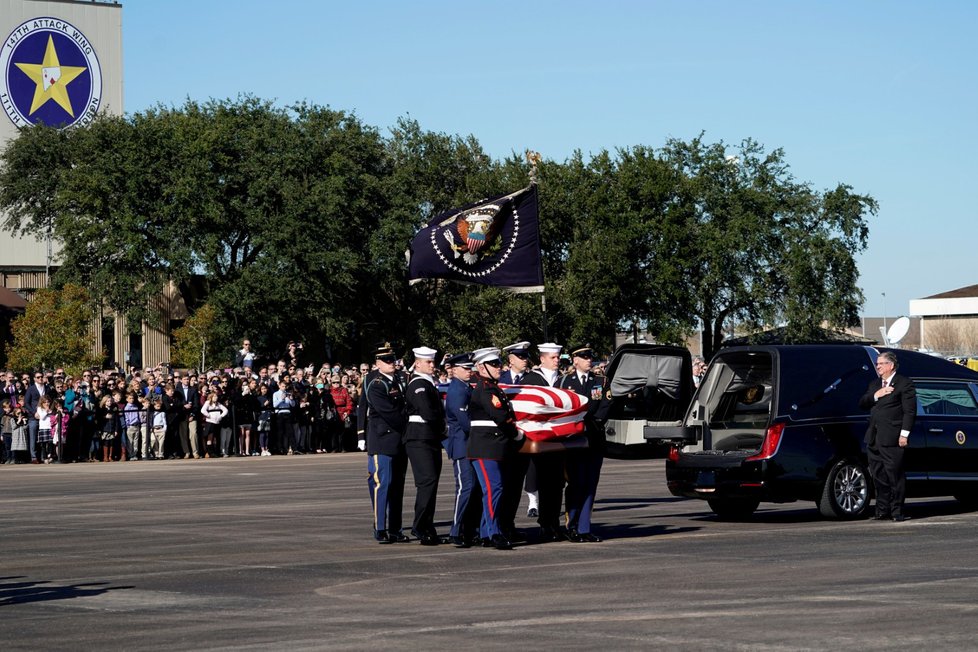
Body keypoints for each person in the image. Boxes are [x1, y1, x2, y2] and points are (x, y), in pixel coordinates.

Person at [467, 347, 521, 550]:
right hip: (485, 447)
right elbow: (500, 416)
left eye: (499, 363)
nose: (500, 367)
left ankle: (485, 532)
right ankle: (494, 532)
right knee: (493, 489)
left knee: (494, 489)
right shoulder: (485, 389)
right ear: (481, 367)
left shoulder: (493, 387)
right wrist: (516, 433)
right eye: (494, 364)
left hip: (494, 447)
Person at [557, 345, 611, 542]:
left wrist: (592, 423)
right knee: (575, 483)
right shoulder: (563, 382)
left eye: (590, 356)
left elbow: (606, 405)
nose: (589, 360)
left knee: (590, 484)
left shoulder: (601, 381)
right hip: (573, 441)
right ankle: (571, 525)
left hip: (594, 439)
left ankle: (584, 527)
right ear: (575, 360)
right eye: (584, 357)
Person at [859, 351, 916, 522]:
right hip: (874, 437)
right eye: (877, 364)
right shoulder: (875, 384)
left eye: (881, 364)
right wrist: (878, 394)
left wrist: (904, 434)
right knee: (878, 476)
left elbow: (909, 411)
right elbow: (862, 403)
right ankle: (882, 510)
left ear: (891, 365)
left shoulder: (904, 384)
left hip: (892, 437)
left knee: (894, 475)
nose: (878, 367)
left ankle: (897, 511)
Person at [520, 342, 567, 541]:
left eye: (558, 357)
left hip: (559, 438)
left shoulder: (563, 380)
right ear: (542, 358)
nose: (557, 361)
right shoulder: (531, 379)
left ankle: (553, 522)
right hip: (539, 438)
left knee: (557, 484)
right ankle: (544, 524)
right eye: (553, 358)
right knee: (542, 479)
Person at [364, 343, 409, 544]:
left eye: (393, 359)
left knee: (397, 486)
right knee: (383, 484)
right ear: (378, 364)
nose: (391, 363)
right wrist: (411, 425)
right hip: (383, 440)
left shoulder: (399, 381)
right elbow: (389, 413)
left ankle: (395, 528)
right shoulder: (376, 384)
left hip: (399, 441)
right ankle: (380, 527)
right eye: (387, 360)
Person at [404, 346, 446, 546]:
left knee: (431, 483)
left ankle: (427, 525)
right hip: (419, 437)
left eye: (432, 361)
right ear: (417, 363)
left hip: (429, 437)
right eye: (428, 362)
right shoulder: (419, 383)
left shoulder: (429, 383)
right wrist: (443, 427)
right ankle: (420, 526)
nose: (432, 365)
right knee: (427, 481)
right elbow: (428, 412)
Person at [443, 352, 481, 547]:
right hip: (462, 445)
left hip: (469, 444)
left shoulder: (465, 387)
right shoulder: (458, 390)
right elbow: (465, 423)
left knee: (473, 488)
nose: (469, 371)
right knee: (464, 488)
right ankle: (456, 530)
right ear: (454, 370)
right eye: (466, 368)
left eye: (470, 368)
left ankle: (468, 528)